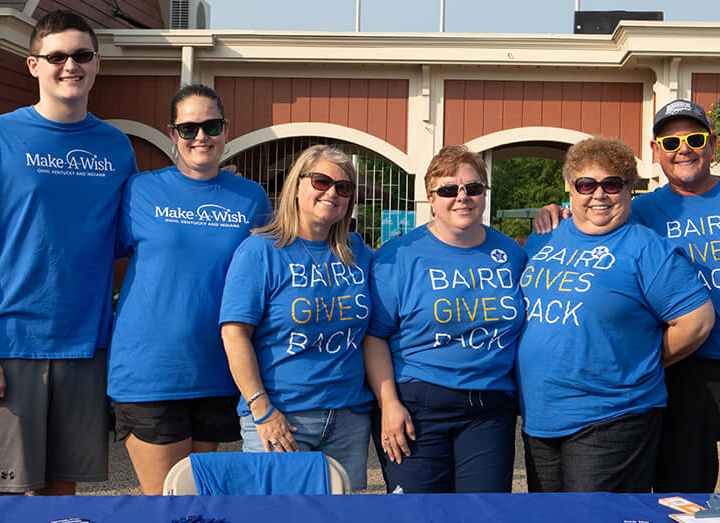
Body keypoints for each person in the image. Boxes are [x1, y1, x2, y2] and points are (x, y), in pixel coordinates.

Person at [535, 99, 720, 493]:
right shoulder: (639, 209)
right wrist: (553, 212)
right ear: (655, 150)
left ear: (713, 144)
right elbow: (590, 207)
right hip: (679, 373)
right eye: (671, 140)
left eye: (695, 138)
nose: (684, 148)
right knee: (678, 498)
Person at [0, 10, 137, 494]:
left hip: (85, 346)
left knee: (59, 497)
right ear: (34, 65)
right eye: (57, 56)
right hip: (9, 347)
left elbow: (136, 248)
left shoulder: (115, 148)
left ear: (97, 64)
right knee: (1, 497)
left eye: (82, 55)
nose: (70, 65)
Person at [518, 137, 714, 493]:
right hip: (541, 417)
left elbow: (696, 321)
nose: (599, 195)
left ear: (628, 190)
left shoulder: (647, 249)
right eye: (586, 184)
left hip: (611, 416)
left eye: (612, 184)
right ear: (571, 189)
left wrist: (639, 361)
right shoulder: (545, 239)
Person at [107, 84, 271, 494]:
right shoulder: (140, 190)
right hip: (150, 371)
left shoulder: (250, 197)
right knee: (169, 502)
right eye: (189, 128)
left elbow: (271, 272)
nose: (201, 136)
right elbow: (96, 256)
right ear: (172, 132)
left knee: (198, 500)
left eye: (211, 125)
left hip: (217, 370)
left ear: (226, 130)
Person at [364, 145, 525, 493]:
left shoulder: (512, 253)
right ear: (431, 198)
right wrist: (389, 404)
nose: (462, 198)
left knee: (483, 518)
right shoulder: (400, 255)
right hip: (417, 406)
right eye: (449, 190)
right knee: (418, 521)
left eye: (473, 188)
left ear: (485, 193)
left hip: (489, 408)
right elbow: (375, 335)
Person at [220, 145, 374, 490]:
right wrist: (262, 410)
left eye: (344, 187)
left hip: (348, 416)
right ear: (297, 185)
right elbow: (234, 335)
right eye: (321, 181)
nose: (332, 192)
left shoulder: (358, 252)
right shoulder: (261, 251)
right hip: (282, 415)